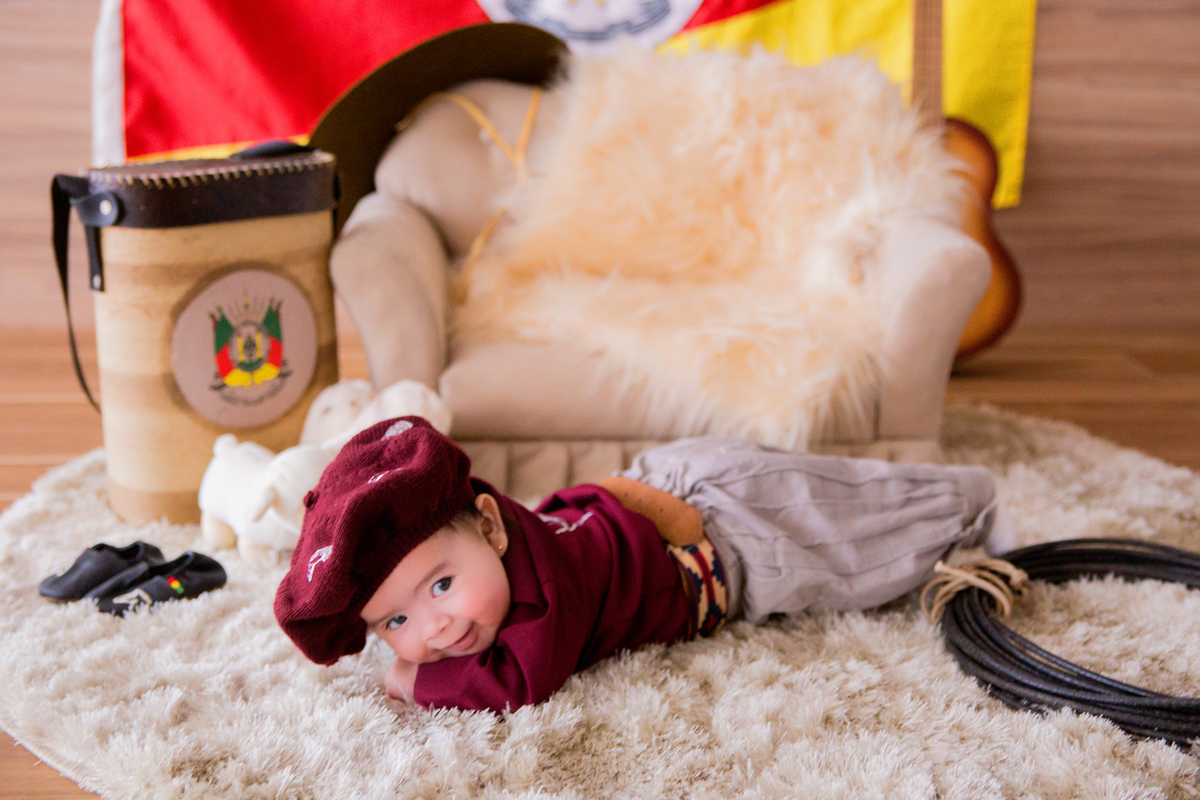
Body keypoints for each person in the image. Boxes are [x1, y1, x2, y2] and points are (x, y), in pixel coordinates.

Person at [274, 416, 1015, 713]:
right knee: (835, 493)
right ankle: (950, 499)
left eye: (440, 584)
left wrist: (415, 678)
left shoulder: (542, 603)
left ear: (494, 527)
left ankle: (968, 504)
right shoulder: (506, 541)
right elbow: (569, 503)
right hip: (661, 492)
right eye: (395, 622)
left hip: (733, 546)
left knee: (857, 535)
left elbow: (521, 682)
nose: (435, 626)